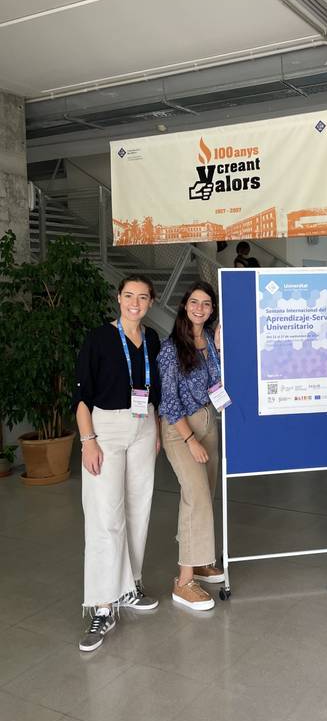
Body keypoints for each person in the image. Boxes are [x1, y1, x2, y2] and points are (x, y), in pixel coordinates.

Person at [74, 275, 161, 652]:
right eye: (129, 296)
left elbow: (154, 388)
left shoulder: (153, 339)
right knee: (104, 517)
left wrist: (155, 429)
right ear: (119, 298)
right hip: (104, 429)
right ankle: (101, 603)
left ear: (151, 302)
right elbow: (81, 397)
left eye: (142, 297)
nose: (135, 303)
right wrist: (88, 440)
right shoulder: (98, 338)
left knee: (139, 509)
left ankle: (130, 586)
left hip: (144, 426)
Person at [157, 281, 224, 611]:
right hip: (182, 429)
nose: (200, 308)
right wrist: (190, 440)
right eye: (195, 302)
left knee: (204, 494)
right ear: (185, 306)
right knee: (196, 497)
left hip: (209, 421)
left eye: (207, 303)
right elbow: (169, 402)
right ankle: (184, 582)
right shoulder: (172, 349)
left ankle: (199, 561)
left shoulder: (210, 341)